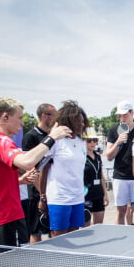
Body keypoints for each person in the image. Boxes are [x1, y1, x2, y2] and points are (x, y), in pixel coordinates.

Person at [0, 97, 70, 248]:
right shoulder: (0, 141)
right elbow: (26, 162)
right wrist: (52, 138)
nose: (22, 123)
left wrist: (19, 181)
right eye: (20, 118)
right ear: (5, 117)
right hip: (7, 218)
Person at [39, 100, 88, 237]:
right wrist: (42, 197)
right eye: (80, 121)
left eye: (84, 121)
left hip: (77, 198)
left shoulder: (81, 143)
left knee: (73, 235)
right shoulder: (56, 142)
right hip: (59, 198)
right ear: (70, 121)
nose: (83, 124)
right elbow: (43, 170)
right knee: (59, 238)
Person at [22, 103, 57, 243]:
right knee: (35, 230)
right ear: (44, 116)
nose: (55, 119)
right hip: (36, 191)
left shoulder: (52, 136)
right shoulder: (31, 136)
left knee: (51, 228)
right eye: (53, 115)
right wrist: (43, 193)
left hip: (50, 188)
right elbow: (28, 167)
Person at [106, 100, 134, 225]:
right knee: (121, 210)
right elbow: (109, 156)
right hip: (120, 176)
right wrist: (118, 142)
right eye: (119, 115)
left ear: (132, 113)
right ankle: (119, 237)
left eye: (125, 115)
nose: (122, 118)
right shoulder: (114, 129)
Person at [83, 127, 109, 226]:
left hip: (98, 193)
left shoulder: (98, 156)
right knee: (86, 226)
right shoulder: (81, 157)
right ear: (84, 141)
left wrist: (105, 194)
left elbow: (101, 176)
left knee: (99, 224)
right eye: (89, 141)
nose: (93, 143)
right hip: (86, 195)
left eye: (95, 140)